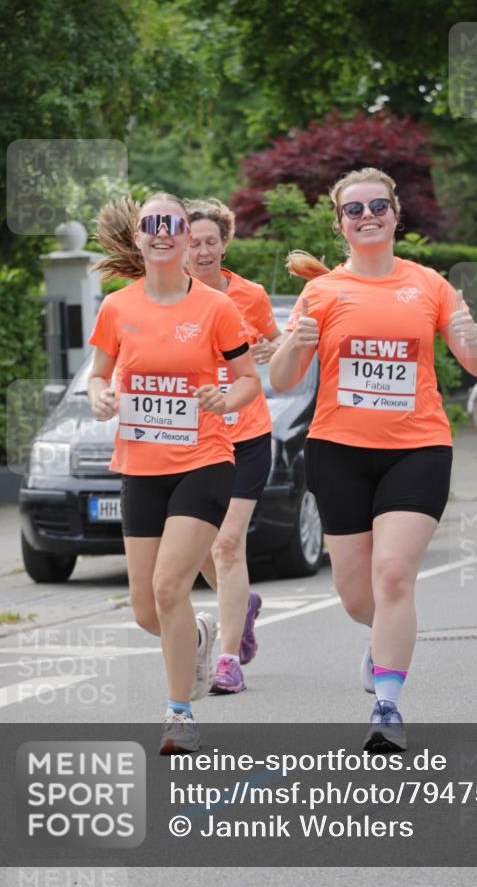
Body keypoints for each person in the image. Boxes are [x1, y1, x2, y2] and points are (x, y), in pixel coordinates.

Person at [269, 167, 477, 751]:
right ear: (340, 224)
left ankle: (388, 706)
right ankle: (382, 641)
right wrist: (292, 348)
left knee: (394, 573)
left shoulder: (428, 285)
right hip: (339, 450)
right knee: (357, 596)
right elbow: (283, 377)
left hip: (417, 447)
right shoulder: (321, 293)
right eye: (354, 209)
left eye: (377, 206)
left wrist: (473, 339)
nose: (366, 216)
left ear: (396, 215)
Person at [87, 192, 260, 753]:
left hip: (204, 461)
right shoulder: (117, 307)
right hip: (140, 465)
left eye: (173, 224)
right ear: (138, 237)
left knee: (169, 587)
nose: (162, 232)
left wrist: (223, 399)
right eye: (151, 224)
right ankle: (203, 632)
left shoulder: (215, 307)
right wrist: (101, 397)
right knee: (146, 609)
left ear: (189, 237)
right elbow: (97, 375)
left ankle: (179, 713)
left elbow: (247, 381)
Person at [186, 198, 281, 693]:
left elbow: (274, 341)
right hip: (196, 440)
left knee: (226, 543)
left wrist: (273, 347)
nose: (202, 251)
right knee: (202, 547)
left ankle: (227, 660)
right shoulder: (167, 298)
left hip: (246, 434)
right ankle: (238, 605)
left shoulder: (250, 295)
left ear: (225, 243)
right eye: (193, 242)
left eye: (210, 241)